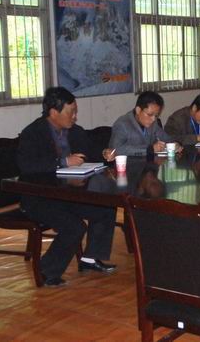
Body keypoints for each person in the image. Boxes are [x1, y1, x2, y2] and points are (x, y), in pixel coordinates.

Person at [16, 87, 117, 287]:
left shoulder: (75, 131)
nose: (74, 116)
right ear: (54, 112)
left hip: (69, 195)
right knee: (74, 226)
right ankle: (46, 271)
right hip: (39, 198)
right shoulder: (32, 133)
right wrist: (62, 162)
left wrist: (104, 154)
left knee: (105, 208)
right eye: (71, 112)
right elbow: (26, 165)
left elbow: (90, 152)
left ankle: (90, 259)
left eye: (75, 111)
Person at [109, 91, 180, 156]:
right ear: (138, 110)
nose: (153, 119)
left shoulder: (153, 123)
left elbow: (167, 139)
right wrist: (149, 149)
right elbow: (115, 149)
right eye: (149, 114)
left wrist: (176, 144)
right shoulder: (122, 124)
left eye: (156, 115)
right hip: (129, 164)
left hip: (149, 164)